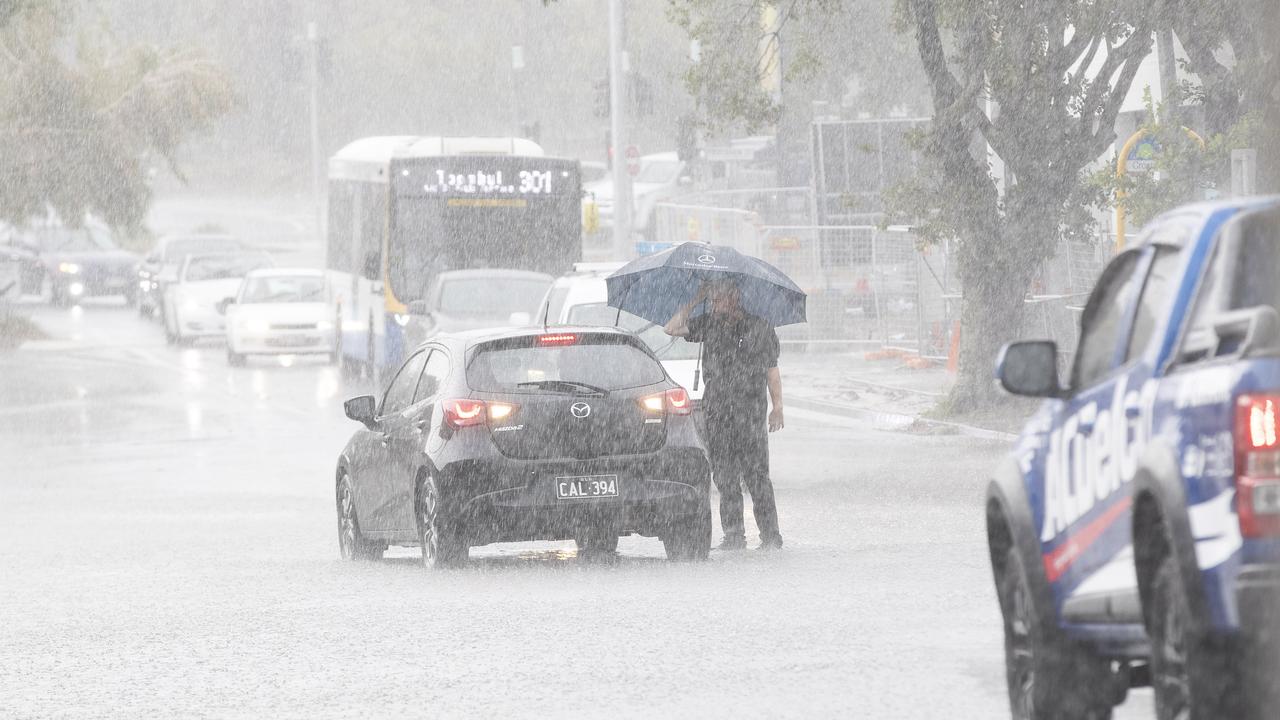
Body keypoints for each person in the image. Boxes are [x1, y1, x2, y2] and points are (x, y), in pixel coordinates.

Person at [665, 279, 785, 550]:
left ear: (734, 299)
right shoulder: (709, 323)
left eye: (719, 299)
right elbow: (670, 328)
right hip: (718, 414)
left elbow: (772, 370)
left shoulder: (760, 327)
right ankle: (733, 535)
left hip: (750, 415)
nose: (715, 304)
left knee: (757, 478)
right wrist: (696, 298)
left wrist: (777, 407)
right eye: (714, 299)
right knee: (725, 478)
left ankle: (770, 536)